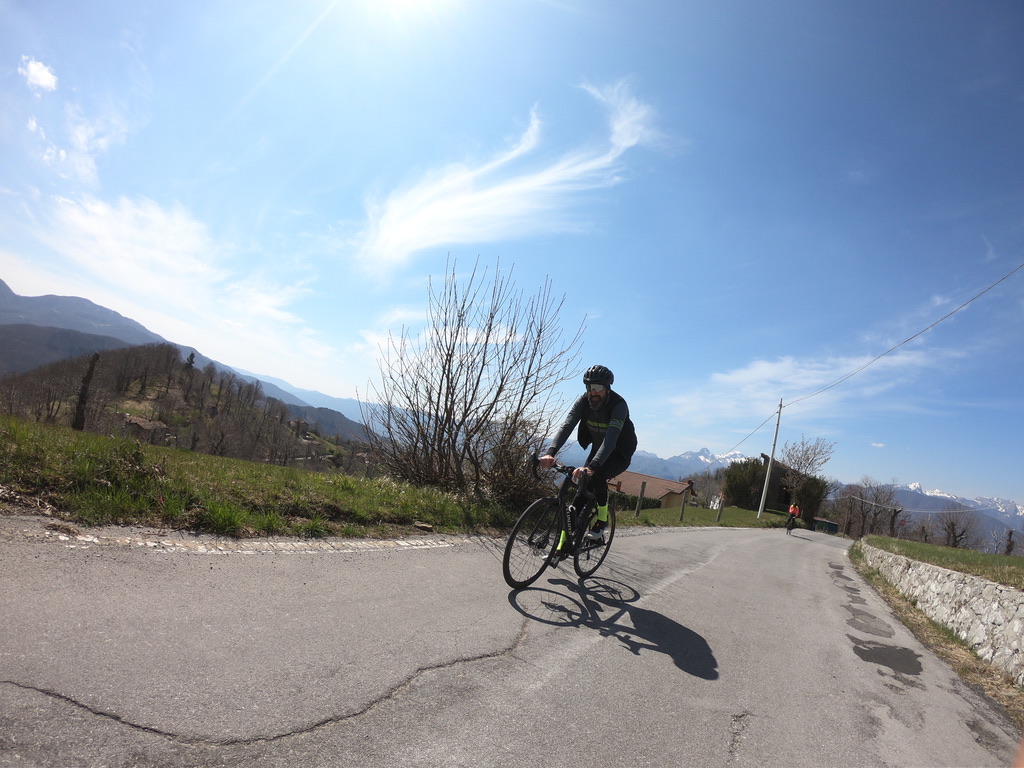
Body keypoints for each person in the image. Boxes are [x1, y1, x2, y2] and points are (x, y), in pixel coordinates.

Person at [540, 365, 637, 558]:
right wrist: (551, 452)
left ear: (607, 388)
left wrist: (592, 467)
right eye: (590, 387)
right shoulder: (584, 401)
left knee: (597, 475)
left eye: (599, 387)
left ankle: (602, 520)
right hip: (598, 448)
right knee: (576, 502)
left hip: (619, 452)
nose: (593, 392)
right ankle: (562, 547)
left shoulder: (619, 405)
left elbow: (610, 440)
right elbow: (567, 425)